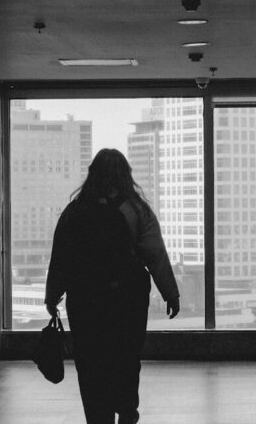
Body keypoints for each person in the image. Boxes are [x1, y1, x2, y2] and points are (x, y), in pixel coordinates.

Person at [44, 148, 180, 424]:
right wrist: (170, 292)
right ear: (125, 175)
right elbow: (155, 254)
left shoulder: (75, 211)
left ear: (92, 174)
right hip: (127, 300)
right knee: (127, 358)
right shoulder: (137, 210)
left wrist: (52, 295)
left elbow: (61, 257)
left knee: (90, 361)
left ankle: (98, 416)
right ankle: (127, 410)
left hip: (85, 300)